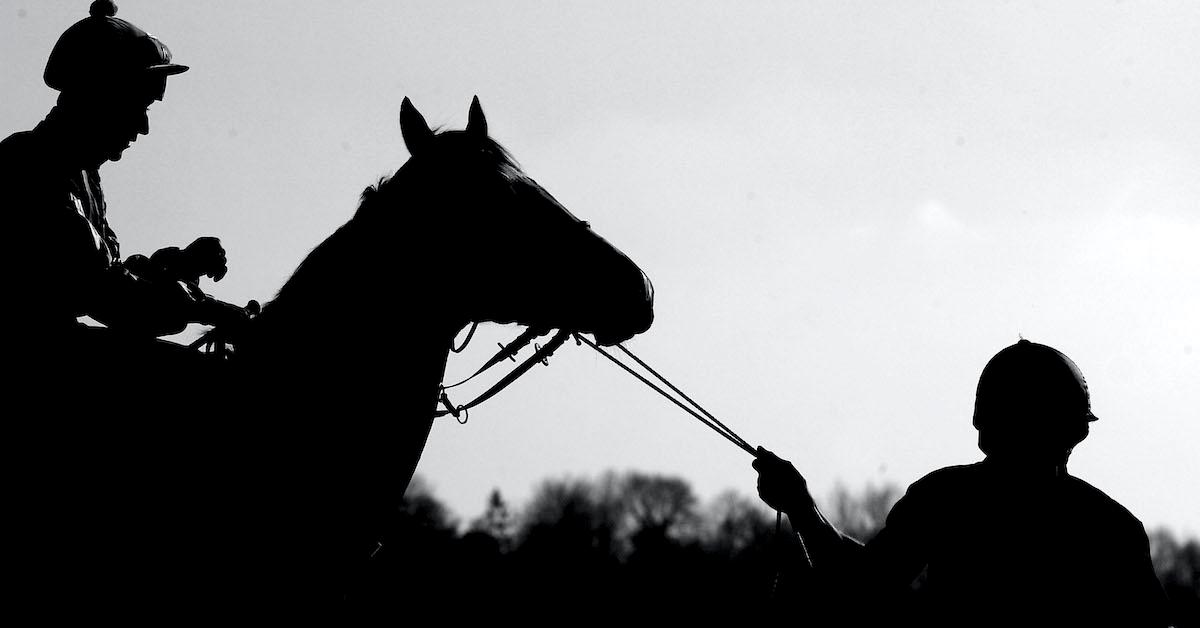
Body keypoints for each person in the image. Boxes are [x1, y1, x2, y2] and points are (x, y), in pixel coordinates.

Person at [753, 339, 1170, 626]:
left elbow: (861, 588)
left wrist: (802, 509)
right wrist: (802, 508)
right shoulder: (1112, 527)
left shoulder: (945, 500)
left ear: (983, 424)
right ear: (1077, 431)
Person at [1, 0, 250, 374]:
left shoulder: (83, 177)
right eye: (140, 104)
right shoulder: (31, 168)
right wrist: (203, 305)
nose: (144, 127)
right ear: (100, 95)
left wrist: (175, 266)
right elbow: (114, 300)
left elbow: (108, 272)